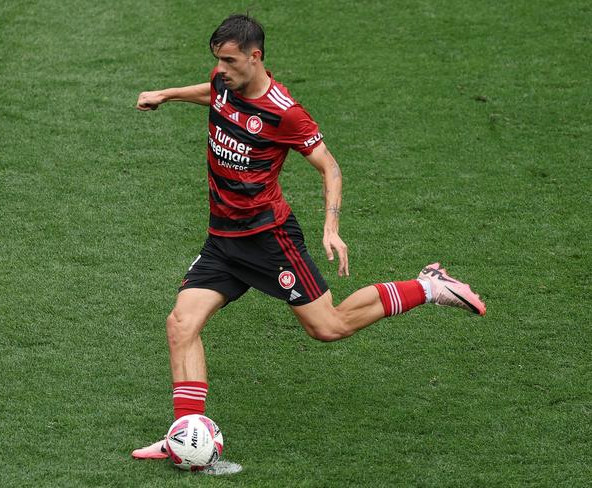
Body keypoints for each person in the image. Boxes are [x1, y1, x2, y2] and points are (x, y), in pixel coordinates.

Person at [131, 14, 486, 459]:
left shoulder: (285, 112)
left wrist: (331, 227)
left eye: (229, 60)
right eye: (217, 61)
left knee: (328, 326)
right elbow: (214, 96)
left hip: (269, 240)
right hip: (222, 240)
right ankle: (186, 433)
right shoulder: (225, 82)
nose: (220, 69)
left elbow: (329, 166)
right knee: (181, 324)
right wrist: (167, 95)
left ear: (255, 56)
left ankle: (431, 285)